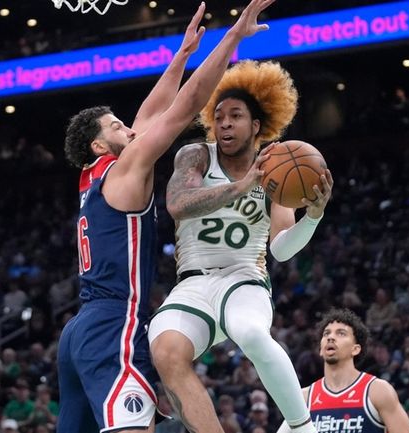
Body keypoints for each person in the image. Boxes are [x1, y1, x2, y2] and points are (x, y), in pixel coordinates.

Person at [56, 1, 277, 432]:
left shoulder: (94, 176)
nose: (131, 129)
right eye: (117, 127)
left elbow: (148, 114)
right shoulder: (126, 168)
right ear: (101, 146)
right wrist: (232, 37)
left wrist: (181, 55)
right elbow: (187, 104)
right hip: (114, 323)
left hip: (79, 329)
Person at [148, 58, 330, 433]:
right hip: (192, 285)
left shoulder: (277, 167)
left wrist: (312, 216)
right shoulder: (196, 154)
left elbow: (281, 249)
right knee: (164, 351)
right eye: (219, 117)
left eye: (235, 116)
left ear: (257, 126)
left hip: (244, 278)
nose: (225, 123)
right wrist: (241, 187)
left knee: (249, 333)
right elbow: (177, 204)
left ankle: (301, 427)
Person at [273, 308, 409, 433]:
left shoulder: (377, 391)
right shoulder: (304, 398)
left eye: (341, 333)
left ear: (356, 349)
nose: (331, 337)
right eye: (326, 333)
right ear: (320, 349)